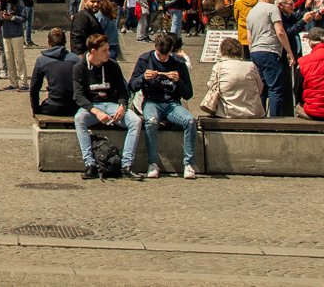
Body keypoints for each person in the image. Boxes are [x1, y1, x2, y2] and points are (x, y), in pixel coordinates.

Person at [126, 30, 198, 178]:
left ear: (172, 50)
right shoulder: (145, 60)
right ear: (155, 48)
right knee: (151, 122)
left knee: (190, 121)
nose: (163, 58)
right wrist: (143, 78)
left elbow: (189, 94)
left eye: (166, 56)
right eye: (160, 55)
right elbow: (131, 86)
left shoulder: (178, 63)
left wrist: (178, 82)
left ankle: (189, 164)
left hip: (172, 103)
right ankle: (153, 163)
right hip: (152, 101)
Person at [72, 32, 129, 179]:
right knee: (79, 119)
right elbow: (78, 96)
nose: (109, 53)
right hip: (92, 107)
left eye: (108, 49)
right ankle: (90, 164)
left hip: (112, 105)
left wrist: (122, 106)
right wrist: (96, 112)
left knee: (135, 121)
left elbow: (123, 91)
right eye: (104, 51)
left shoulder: (113, 65)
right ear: (93, 52)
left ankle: (127, 165)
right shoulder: (79, 68)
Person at [247, 0, 296, 117]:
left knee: (261, 90)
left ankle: (261, 117)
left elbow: (249, 38)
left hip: (256, 52)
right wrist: (289, 52)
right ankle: (275, 120)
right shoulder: (272, 8)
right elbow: (280, 31)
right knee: (275, 89)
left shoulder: (251, 12)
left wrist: (252, 51)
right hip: (269, 50)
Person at [198, 36, 267, 118]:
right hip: (252, 113)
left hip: (228, 113)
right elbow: (260, 87)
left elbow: (211, 86)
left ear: (222, 51)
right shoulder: (250, 66)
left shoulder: (219, 66)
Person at [28, 28, 78, 117]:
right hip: (74, 107)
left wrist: (35, 109)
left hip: (53, 106)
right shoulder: (76, 59)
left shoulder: (42, 60)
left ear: (48, 42)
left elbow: (34, 88)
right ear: (65, 42)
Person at [0, 0, 29, 87]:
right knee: (9, 59)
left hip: (16, 34)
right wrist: (1, 16)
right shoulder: (2, 3)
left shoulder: (19, 2)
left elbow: (24, 18)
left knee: (19, 59)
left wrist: (13, 17)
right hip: (5, 34)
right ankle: (13, 82)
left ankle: (24, 82)